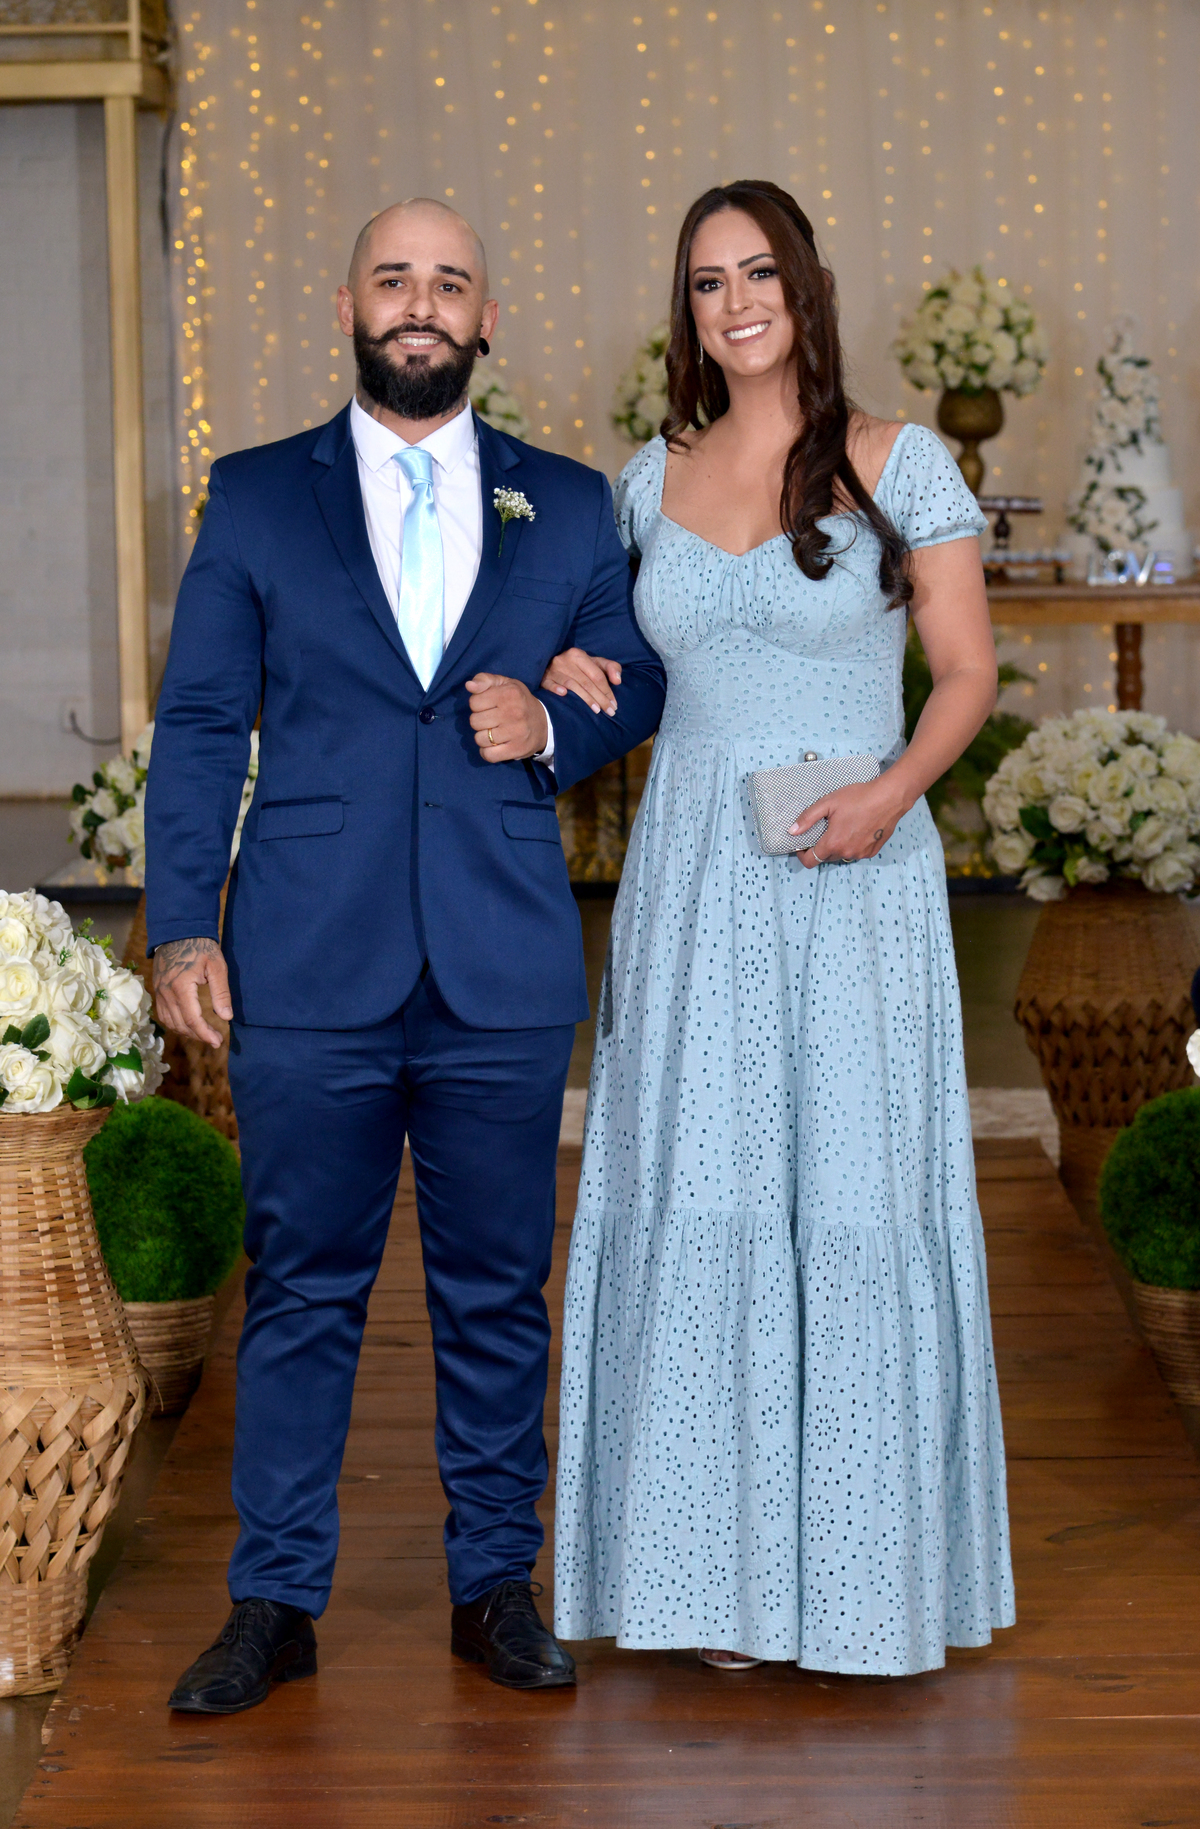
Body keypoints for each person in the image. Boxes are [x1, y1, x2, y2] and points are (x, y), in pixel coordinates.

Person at [145, 197, 665, 1711]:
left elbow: (636, 678)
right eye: (396, 278)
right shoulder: (251, 497)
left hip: (500, 964)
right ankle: (273, 1600)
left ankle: (495, 1583)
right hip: (306, 959)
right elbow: (197, 724)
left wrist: (557, 720)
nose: (422, 304)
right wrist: (185, 917)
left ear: (488, 319)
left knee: (500, 1290)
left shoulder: (567, 505)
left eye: (451, 283)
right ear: (350, 304)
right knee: (301, 1286)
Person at [551, 180, 1016, 1676]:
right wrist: (560, 667)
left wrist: (890, 794)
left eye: (757, 272)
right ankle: (714, 1579)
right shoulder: (647, 479)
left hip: (852, 880)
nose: (733, 300)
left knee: (852, 1194)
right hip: (694, 886)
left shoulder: (903, 462)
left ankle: (862, 1583)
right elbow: (620, 668)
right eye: (704, 282)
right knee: (707, 1186)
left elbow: (964, 673)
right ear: (684, 310)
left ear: (806, 285)